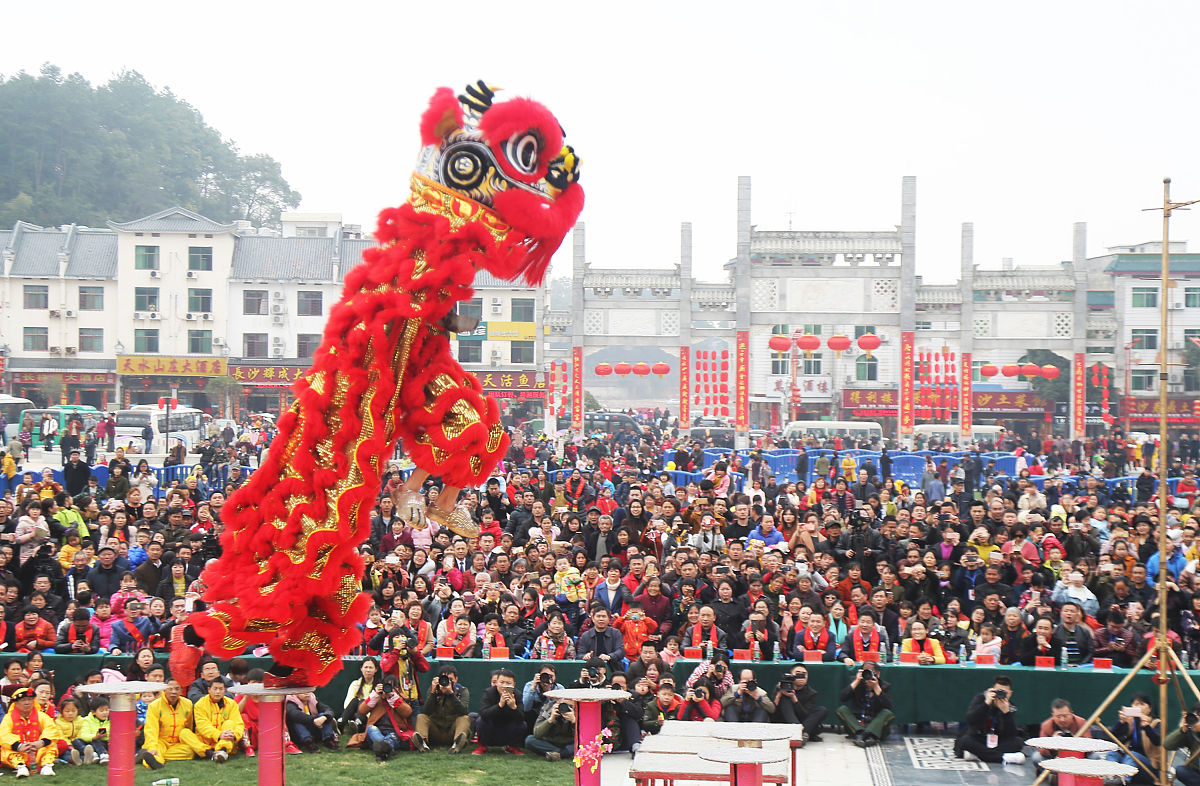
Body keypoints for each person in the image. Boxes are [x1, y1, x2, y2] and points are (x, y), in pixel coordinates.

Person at [953, 676, 1025, 764]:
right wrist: (986, 704)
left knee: (1018, 742)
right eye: (998, 691)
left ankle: (978, 755)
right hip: (978, 737)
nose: (1000, 695)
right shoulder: (981, 699)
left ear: (1010, 693)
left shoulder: (1011, 707)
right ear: (991, 690)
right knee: (965, 741)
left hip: (998, 740)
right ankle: (1004, 757)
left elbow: (1011, 734)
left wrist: (1006, 713)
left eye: (1004, 692)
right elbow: (971, 720)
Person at [136, 680, 206, 770]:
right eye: (170, 689)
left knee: (190, 751)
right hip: (160, 740)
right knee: (154, 751)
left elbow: (188, 726)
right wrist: (152, 746)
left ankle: (150, 756)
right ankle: (155, 761)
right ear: (164, 690)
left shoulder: (187, 704)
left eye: (177, 689)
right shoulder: (154, 706)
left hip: (177, 743)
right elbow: (151, 729)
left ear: (181, 691)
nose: (174, 692)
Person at [0, 686, 60, 776]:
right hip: (19, 750)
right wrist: (18, 746)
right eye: (23, 700)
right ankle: (20, 767)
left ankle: (46, 766)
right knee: (6, 750)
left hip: (37, 748)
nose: (27, 703)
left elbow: (51, 729)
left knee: (51, 747)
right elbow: (4, 735)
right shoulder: (8, 718)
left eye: (30, 699)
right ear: (16, 703)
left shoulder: (41, 716)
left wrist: (41, 742)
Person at [413, 664, 471, 753]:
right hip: (435, 731)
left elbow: (463, 711)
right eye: (444, 679)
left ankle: (457, 744)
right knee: (421, 717)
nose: (447, 682)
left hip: (452, 731)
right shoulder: (434, 690)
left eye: (451, 679)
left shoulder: (462, 691)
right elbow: (426, 711)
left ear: (456, 679)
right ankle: (422, 743)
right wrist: (433, 693)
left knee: (465, 718)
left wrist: (451, 694)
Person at [1105, 692, 1161, 783]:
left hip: (1150, 767)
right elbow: (1112, 737)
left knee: (1133, 755)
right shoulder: (1130, 721)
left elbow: (1158, 741)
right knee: (1112, 754)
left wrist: (1147, 727)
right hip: (1129, 760)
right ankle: (1110, 780)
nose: (1138, 707)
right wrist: (1121, 722)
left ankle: (1123, 781)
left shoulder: (1156, 723)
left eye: (1142, 704)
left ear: (1149, 709)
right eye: (1135, 704)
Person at [836, 662, 893, 747]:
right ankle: (864, 734)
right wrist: (857, 680)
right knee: (842, 709)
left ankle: (864, 735)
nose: (868, 676)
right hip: (857, 723)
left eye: (871, 673)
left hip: (875, 724)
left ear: (878, 674)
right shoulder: (856, 682)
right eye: (866, 673)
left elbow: (889, 706)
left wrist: (876, 687)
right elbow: (842, 698)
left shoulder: (884, 686)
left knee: (887, 713)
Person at [357, 676, 414, 762]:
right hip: (376, 730)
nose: (389, 689)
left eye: (392, 686)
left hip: (393, 732)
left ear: (397, 688)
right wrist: (375, 694)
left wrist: (393, 698)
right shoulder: (377, 698)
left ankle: (381, 750)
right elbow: (362, 710)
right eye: (387, 686)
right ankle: (386, 747)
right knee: (371, 729)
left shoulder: (400, 699)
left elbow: (408, 712)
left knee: (391, 737)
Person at [474, 668, 526, 755]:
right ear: (496, 683)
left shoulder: (517, 694)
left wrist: (514, 707)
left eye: (508, 683)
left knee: (522, 724)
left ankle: (513, 747)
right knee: (480, 721)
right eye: (501, 682)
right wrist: (499, 705)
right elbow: (483, 713)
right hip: (491, 728)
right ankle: (482, 746)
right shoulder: (489, 692)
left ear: (514, 684)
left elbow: (522, 717)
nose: (504, 686)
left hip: (508, 729)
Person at [192, 678, 244, 763]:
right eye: (215, 689)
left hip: (226, 740)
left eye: (220, 689)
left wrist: (234, 735)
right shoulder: (200, 704)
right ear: (209, 690)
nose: (218, 692)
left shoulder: (231, 704)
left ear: (224, 690)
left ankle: (221, 750)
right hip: (205, 741)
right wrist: (219, 734)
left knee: (229, 723)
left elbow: (239, 724)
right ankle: (211, 753)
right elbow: (202, 726)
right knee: (184, 733)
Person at [773, 664, 827, 741]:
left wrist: (794, 698)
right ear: (791, 675)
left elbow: (805, 715)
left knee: (822, 710)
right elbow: (773, 711)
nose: (801, 676)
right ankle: (801, 733)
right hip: (784, 721)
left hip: (803, 722)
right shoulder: (782, 687)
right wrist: (779, 694)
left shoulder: (811, 693)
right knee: (785, 700)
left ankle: (800, 733)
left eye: (804, 674)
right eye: (798, 673)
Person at [1032, 698, 1092, 764]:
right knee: (1036, 757)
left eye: (1065, 716)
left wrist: (1076, 742)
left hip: (1078, 758)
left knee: (1095, 757)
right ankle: (1058, 773)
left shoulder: (1081, 722)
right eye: (1058, 716)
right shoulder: (1046, 726)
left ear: (1072, 714)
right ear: (1053, 716)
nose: (1062, 720)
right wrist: (1052, 743)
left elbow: (1090, 747)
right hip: (1056, 759)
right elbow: (1042, 750)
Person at [526, 696, 575, 761]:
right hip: (550, 742)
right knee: (529, 740)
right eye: (564, 705)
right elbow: (537, 733)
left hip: (570, 742)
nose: (567, 708)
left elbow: (583, 737)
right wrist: (551, 719)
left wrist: (574, 721)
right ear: (558, 703)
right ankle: (564, 753)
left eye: (570, 706)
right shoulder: (548, 708)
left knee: (584, 743)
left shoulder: (579, 711)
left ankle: (557, 754)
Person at [1163, 702, 1200, 786]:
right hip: (1196, 773)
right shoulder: (1191, 733)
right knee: (1180, 770)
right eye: (1194, 715)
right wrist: (1182, 731)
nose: (1196, 718)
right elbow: (1167, 744)